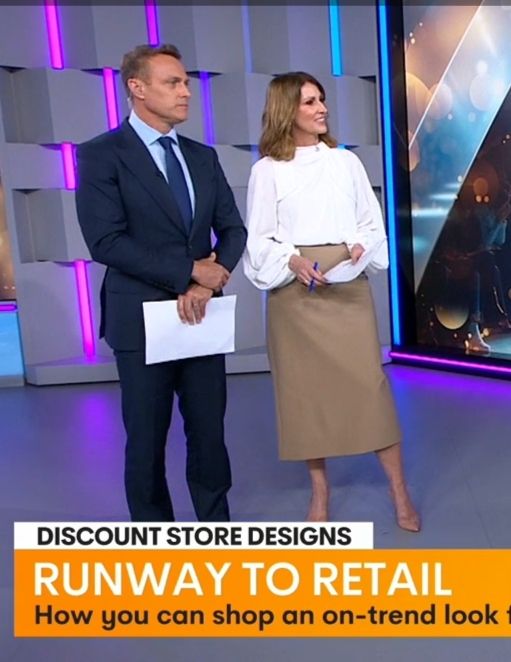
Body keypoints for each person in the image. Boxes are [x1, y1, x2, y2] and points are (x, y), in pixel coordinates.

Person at [75, 44, 247, 522]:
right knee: (147, 441)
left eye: (186, 82)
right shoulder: (101, 155)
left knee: (209, 437)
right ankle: (156, 543)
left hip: (202, 316)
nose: (185, 91)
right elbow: (106, 242)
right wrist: (190, 270)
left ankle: (216, 534)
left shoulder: (201, 156)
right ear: (137, 88)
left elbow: (233, 230)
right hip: (140, 321)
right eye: (172, 82)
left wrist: (206, 284)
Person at [243, 72, 420, 531]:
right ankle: (320, 493)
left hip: (346, 285)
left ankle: (399, 491)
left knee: (369, 387)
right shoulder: (267, 170)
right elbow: (259, 239)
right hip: (296, 293)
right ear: (286, 110)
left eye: (321, 99)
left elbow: (370, 223)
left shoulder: (346, 163)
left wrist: (360, 247)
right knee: (305, 395)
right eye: (309, 102)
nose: (321, 108)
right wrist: (292, 260)